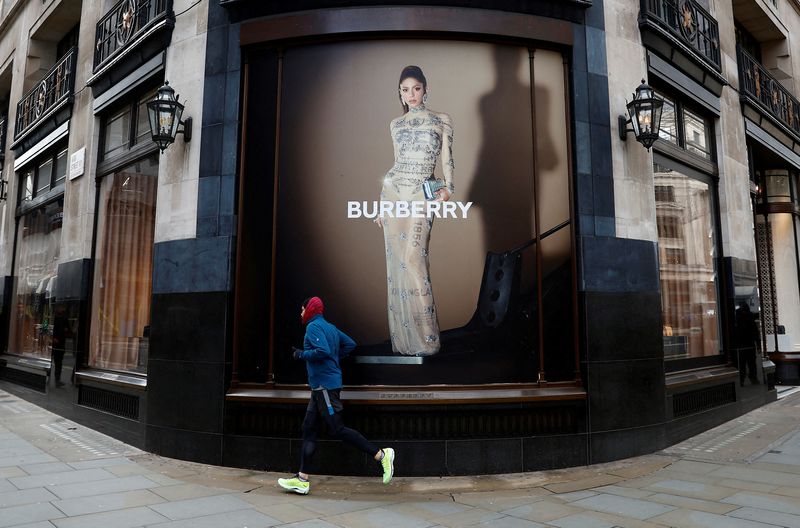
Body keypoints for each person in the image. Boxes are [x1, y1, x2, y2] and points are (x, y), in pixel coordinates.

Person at [278, 296, 395, 495]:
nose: (300, 314)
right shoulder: (330, 327)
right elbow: (350, 344)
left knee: (337, 429)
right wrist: (335, 358)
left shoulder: (313, 327)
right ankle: (302, 479)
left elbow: (322, 350)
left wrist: (300, 355)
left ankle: (381, 455)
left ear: (309, 310)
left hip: (324, 387)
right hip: (320, 388)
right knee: (308, 429)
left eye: (302, 309)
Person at [375, 65, 454, 356]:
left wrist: (448, 188)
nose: (411, 94)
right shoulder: (395, 125)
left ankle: (428, 341)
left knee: (414, 260)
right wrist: (383, 205)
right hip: (394, 194)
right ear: (400, 92)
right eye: (405, 89)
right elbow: (397, 164)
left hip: (422, 194)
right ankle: (406, 343)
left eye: (416, 88)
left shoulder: (441, 120)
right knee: (398, 265)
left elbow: (446, 160)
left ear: (425, 89)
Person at [735, 301, 759, 387]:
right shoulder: (749, 317)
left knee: (743, 364)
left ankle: (743, 379)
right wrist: (758, 345)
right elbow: (755, 332)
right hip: (749, 344)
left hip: (742, 345)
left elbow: (755, 332)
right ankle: (752, 378)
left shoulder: (737, 317)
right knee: (751, 363)